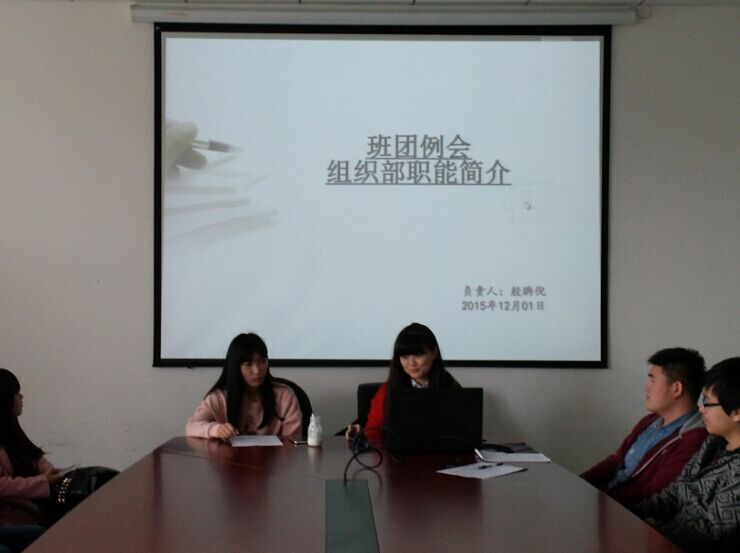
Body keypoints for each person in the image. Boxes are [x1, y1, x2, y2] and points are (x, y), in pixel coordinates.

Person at [632, 357, 740, 553]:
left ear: (736, 412)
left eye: (707, 402)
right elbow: (676, 491)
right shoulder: (712, 442)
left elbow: (711, 534)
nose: (701, 409)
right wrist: (631, 515)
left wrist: (651, 530)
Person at [581, 348, 707, 506]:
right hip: (606, 500)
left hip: (625, 511)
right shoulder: (649, 421)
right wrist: (578, 484)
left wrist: (597, 503)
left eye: (653, 380)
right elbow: (616, 461)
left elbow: (652, 491)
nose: (646, 387)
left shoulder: (694, 438)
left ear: (676, 389)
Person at [345, 322, 460, 444]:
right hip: (397, 455)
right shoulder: (386, 391)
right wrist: (361, 433)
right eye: (404, 356)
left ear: (434, 352)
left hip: (442, 455)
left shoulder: (453, 389)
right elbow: (374, 435)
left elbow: (462, 434)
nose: (411, 363)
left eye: (418, 355)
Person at [186, 333, 302, 440]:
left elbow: (291, 442)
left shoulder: (285, 397)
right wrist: (216, 429)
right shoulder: (219, 398)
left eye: (262, 361)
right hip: (228, 456)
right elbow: (191, 427)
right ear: (235, 367)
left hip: (275, 456)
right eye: (248, 364)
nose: (257, 370)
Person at [0, 368, 64, 501]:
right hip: (17, 513)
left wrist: (49, 472)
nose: (21, 396)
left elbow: (35, 457)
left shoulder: (13, 434)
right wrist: (43, 482)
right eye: (16, 393)